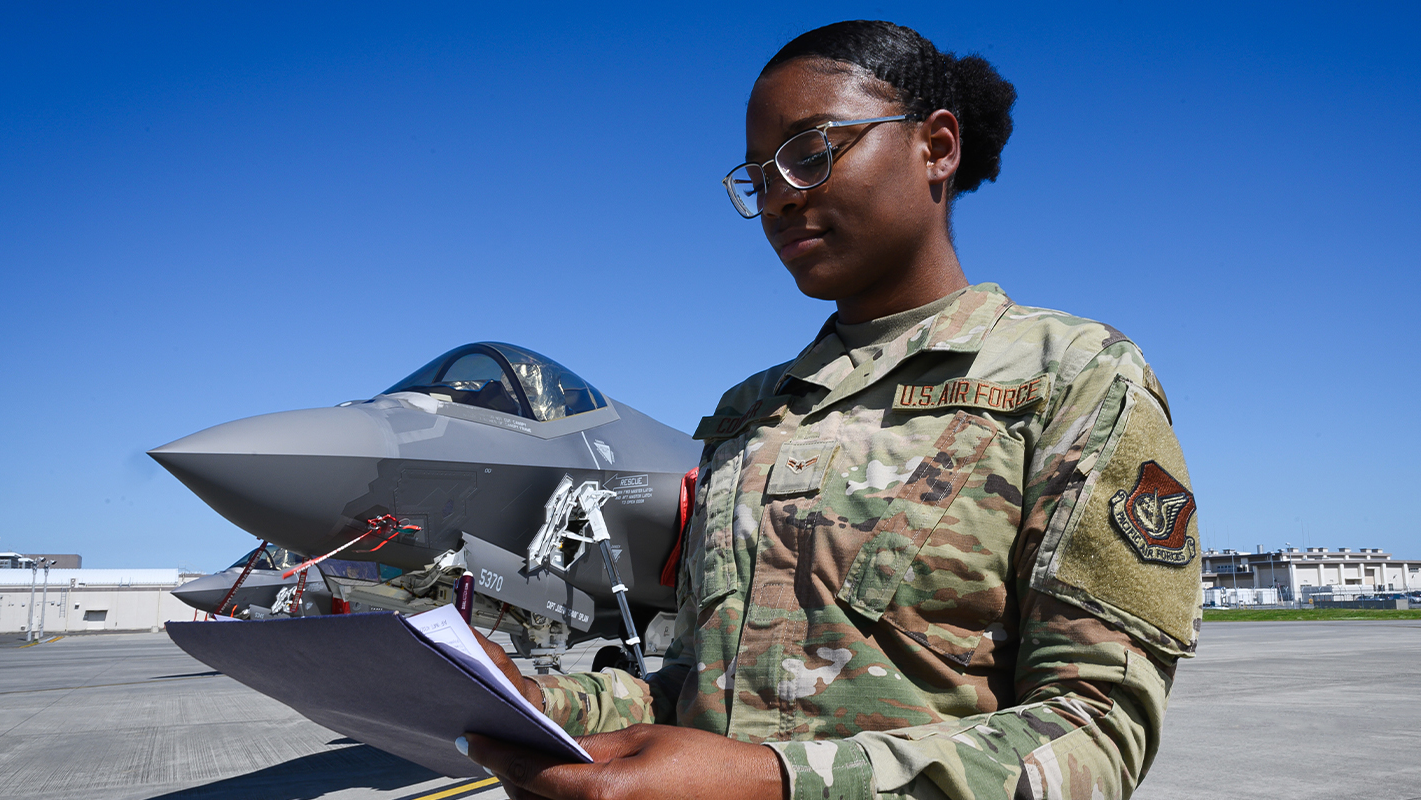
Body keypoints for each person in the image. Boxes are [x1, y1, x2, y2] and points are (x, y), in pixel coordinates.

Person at [464, 19, 1201, 800]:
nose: (779, 196)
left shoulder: (1071, 376)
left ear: (937, 148)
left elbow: (1097, 731)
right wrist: (543, 700)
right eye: (757, 177)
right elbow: (696, 684)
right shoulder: (748, 415)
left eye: (810, 151)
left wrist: (774, 784)